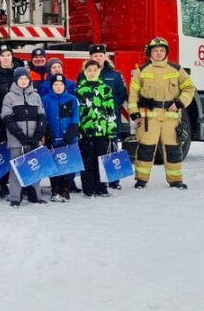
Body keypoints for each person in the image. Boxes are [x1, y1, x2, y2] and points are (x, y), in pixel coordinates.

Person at [128, 37, 196, 189]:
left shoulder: (177, 70)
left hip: (170, 118)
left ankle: (175, 180)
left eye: (162, 51)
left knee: (173, 149)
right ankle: (141, 179)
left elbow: (189, 89)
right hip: (148, 117)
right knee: (146, 148)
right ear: (150, 53)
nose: (158, 53)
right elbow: (133, 93)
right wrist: (134, 113)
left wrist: (179, 103)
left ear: (166, 53)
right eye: (155, 51)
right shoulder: (142, 71)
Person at [1, 67, 48, 207]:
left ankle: (35, 195)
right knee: (16, 168)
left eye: (26, 78)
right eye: (20, 78)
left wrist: (37, 135)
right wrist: (19, 135)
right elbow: (6, 117)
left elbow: (42, 116)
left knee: (34, 167)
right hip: (16, 140)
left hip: (34, 139)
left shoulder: (35, 95)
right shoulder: (9, 96)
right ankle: (15, 196)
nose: (23, 81)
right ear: (16, 80)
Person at [87, 44, 128, 190]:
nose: (98, 58)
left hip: (110, 119)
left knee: (113, 147)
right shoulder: (84, 74)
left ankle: (114, 180)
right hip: (92, 120)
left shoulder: (115, 75)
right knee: (94, 150)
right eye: (95, 56)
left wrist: (110, 109)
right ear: (90, 57)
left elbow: (122, 95)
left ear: (105, 57)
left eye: (100, 55)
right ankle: (97, 180)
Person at [76, 60, 117, 197]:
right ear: (85, 72)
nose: (92, 72)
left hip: (102, 132)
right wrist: (78, 131)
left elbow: (111, 111)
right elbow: (77, 113)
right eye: (89, 70)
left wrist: (111, 131)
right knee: (87, 161)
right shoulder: (79, 90)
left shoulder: (105, 89)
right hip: (85, 133)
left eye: (95, 70)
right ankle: (88, 188)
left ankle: (101, 187)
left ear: (99, 71)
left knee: (101, 160)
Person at [42, 74, 80, 202]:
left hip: (67, 138)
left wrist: (72, 131)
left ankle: (65, 190)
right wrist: (47, 132)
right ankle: (55, 189)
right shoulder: (46, 99)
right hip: (53, 138)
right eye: (55, 85)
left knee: (66, 165)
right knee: (54, 165)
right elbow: (44, 117)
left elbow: (75, 116)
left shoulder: (71, 99)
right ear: (52, 86)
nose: (58, 87)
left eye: (61, 84)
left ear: (64, 86)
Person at [0, 44, 22, 199]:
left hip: (20, 119)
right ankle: (3, 184)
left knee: (19, 151)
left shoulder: (19, 74)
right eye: (2, 56)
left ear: (12, 56)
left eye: (8, 55)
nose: (6, 58)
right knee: (4, 151)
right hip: (3, 120)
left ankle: (21, 181)